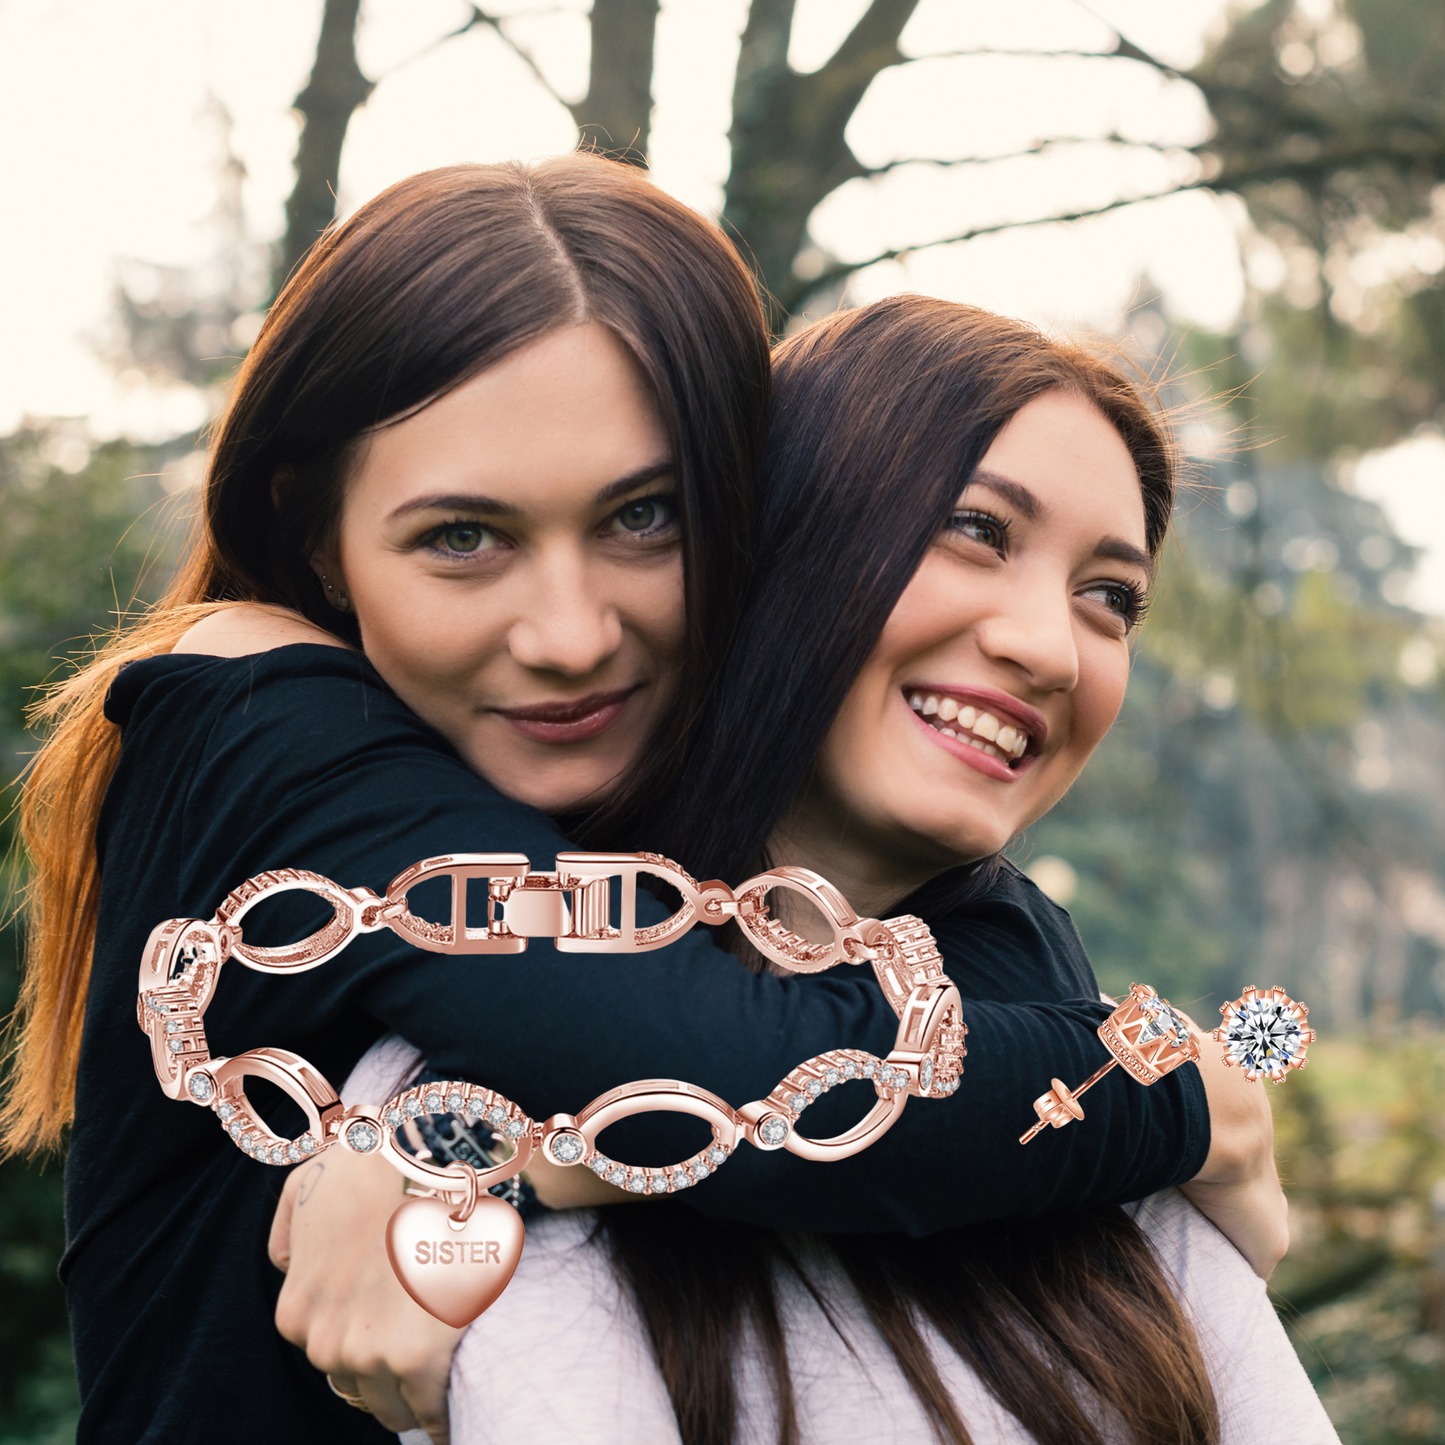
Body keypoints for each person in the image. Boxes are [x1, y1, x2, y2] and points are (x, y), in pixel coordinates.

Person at [2, 155, 1255, 1445]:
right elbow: (741, 1067)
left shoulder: (711, 882)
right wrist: (1184, 1092)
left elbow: (958, 989)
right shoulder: (253, 710)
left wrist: (501, 1150)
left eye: (644, 518)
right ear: (315, 530)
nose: (569, 636)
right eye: (462, 536)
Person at [263, 298, 1315, 1444]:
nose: (1048, 647)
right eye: (973, 528)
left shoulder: (1072, 1081)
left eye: (1108, 595)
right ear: (776, 540)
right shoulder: (463, 1086)